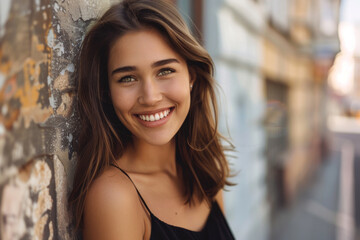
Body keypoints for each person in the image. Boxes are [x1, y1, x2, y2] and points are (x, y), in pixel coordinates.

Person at [68, 0, 235, 239]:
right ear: (107, 91)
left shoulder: (207, 171)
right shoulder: (114, 197)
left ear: (192, 76)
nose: (150, 97)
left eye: (165, 71)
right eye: (127, 78)